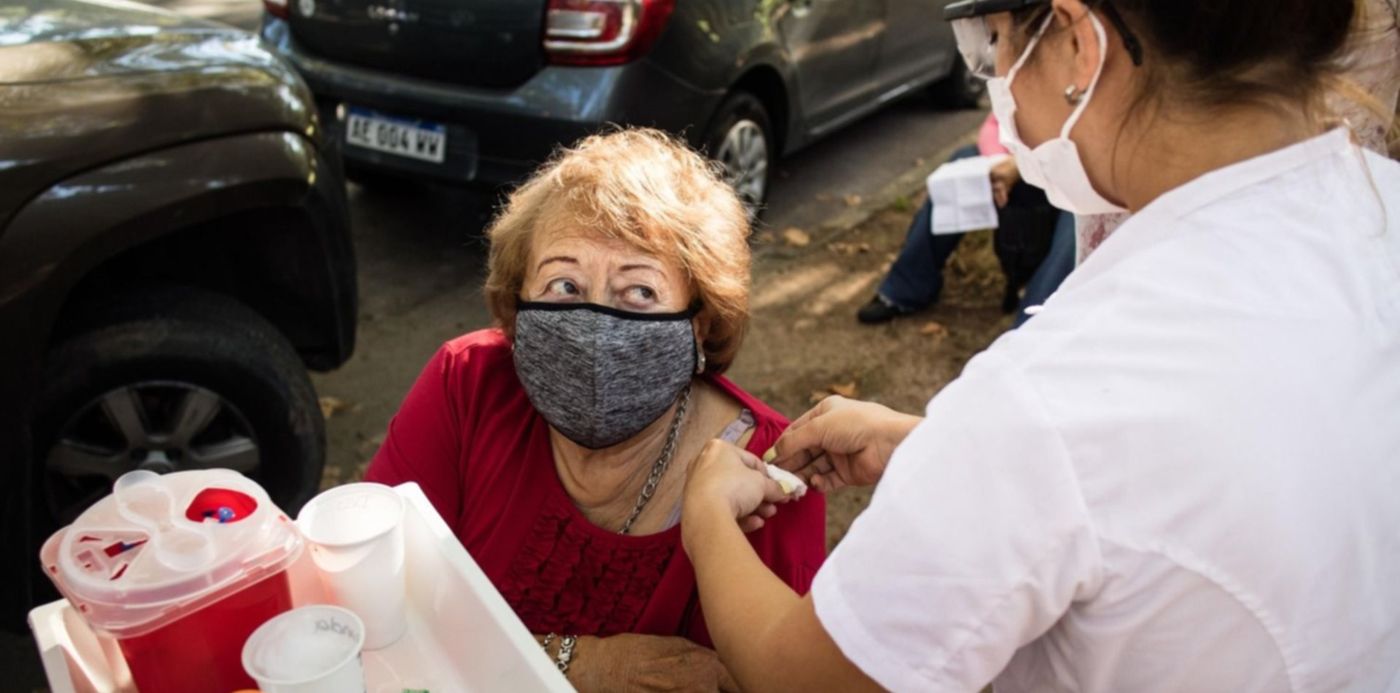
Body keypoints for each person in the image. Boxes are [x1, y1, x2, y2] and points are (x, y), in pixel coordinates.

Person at [679, 0, 1400, 691]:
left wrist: (707, 514)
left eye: (990, 47)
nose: (997, 86)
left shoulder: (1054, 392)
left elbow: (803, 674)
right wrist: (944, 449)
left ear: (1078, 43)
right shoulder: (1378, 206)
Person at [365, 129, 825, 691]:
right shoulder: (467, 383)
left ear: (701, 321)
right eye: (564, 283)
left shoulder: (774, 476)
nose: (594, 329)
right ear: (519, 298)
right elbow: (367, 596)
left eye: (639, 292)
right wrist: (576, 663)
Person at [857, 114, 1075, 326]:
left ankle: (1031, 325)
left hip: (1076, 178)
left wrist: (1021, 165)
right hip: (1023, 165)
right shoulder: (1028, 78)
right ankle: (907, 287)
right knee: (963, 158)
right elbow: (993, 125)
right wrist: (997, 165)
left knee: (1079, 223)